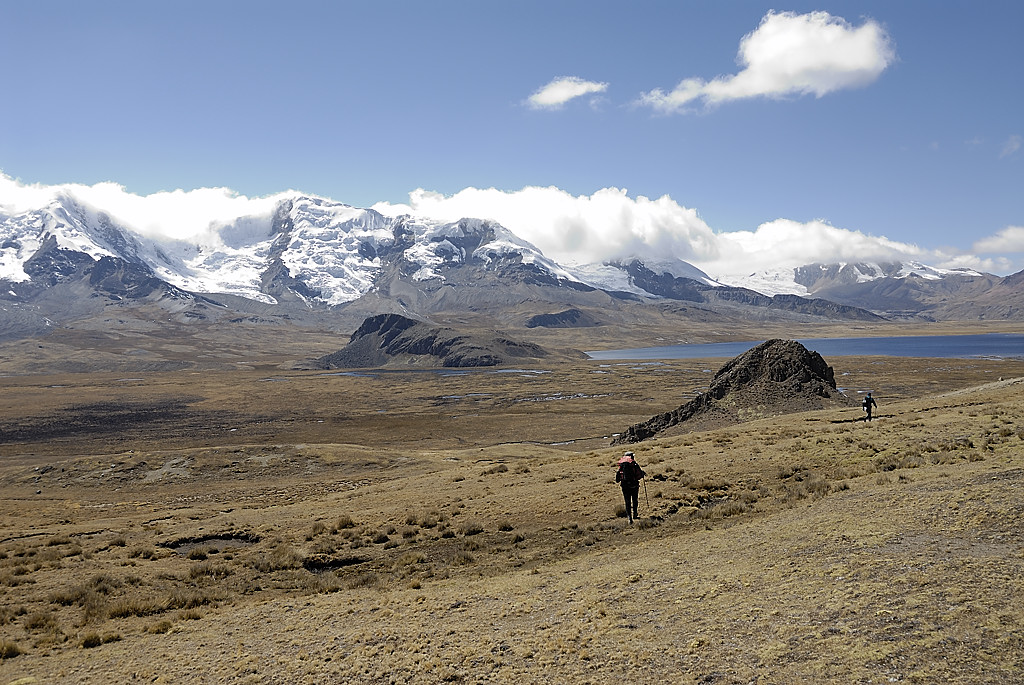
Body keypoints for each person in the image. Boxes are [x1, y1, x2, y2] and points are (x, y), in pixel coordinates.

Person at [615, 451, 646, 523]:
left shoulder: (621, 466)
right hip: (634, 485)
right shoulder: (634, 464)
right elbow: (639, 475)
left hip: (624, 486)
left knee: (627, 501)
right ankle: (635, 513)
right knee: (635, 499)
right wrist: (642, 474)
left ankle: (629, 518)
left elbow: (617, 479)